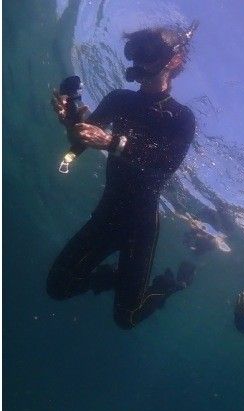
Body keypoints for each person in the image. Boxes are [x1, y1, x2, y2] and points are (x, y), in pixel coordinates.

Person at [47, 24, 198, 329]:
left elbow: (165, 165)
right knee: (57, 288)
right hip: (106, 214)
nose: (138, 61)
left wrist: (112, 142)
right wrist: (70, 121)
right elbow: (82, 140)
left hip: (139, 225)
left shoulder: (182, 118)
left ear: (174, 61)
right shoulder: (119, 100)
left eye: (147, 53)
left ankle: (169, 286)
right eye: (134, 52)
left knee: (126, 319)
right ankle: (110, 277)